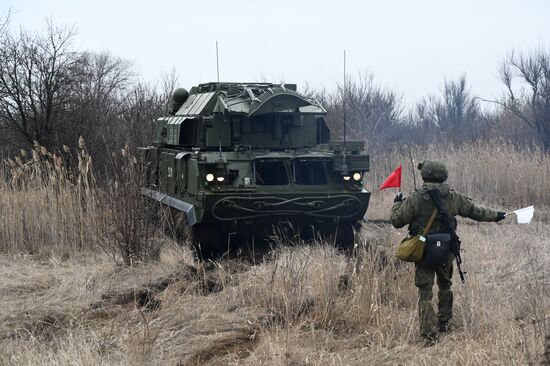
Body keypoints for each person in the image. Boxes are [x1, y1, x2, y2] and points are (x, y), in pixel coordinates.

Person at [390, 160, 506, 346]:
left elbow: (396, 221)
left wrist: (396, 204)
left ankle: (429, 334)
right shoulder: (453, 197)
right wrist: (498, 215)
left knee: (425, 292)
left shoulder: (416, 198)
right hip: (446, 251)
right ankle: (444, 323)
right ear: (444, 175)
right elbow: (476, 212)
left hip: (423, 250)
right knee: (445, 285)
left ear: (425, 175)